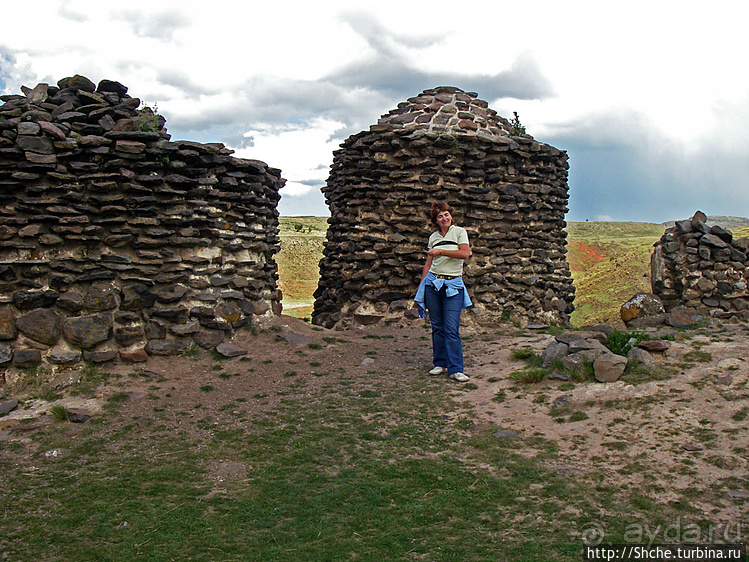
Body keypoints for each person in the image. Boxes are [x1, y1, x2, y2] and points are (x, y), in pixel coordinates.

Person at [414, 201, 472, 382]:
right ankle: (440, 363)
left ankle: (456, 368)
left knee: (451, 328)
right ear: (436, 220)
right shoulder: (433, 237)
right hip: (433, 284)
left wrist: (441, 252)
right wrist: (421, 287)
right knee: (437, 327)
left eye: (446, 214)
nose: (444, 218)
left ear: (451, 216)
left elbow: (465, 254)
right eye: (440, 216)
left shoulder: (459, 232)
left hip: (453, 285)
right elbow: (429, 264)